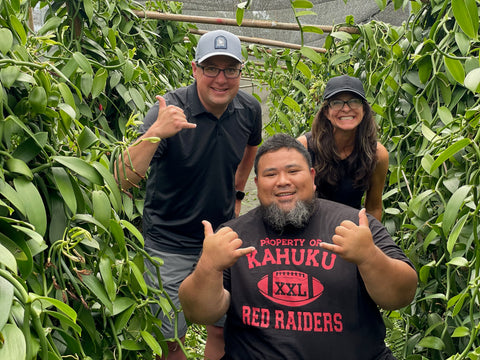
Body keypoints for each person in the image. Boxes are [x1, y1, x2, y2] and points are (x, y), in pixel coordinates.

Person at [179, 133, 417, 360]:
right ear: (257, 183)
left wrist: (370, 257)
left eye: (293, 171)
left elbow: (400, 296)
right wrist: (209, 267)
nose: (283, 181)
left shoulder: (356, 226)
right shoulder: (232, 236)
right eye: (270, 174)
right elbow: (198, 313)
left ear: (313, 177)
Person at [115, 30, 262, 360]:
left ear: (240, 72)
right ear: (195, 69)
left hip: (220, 239)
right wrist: (155, 133)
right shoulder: (169, 112)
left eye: (230, 69)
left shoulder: (248, 109)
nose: (221, 79)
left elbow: (252, 146)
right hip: (168, 242)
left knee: (224, 328)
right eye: (211, 68)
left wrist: (238, 195)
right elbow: (122, 179)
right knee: (170, 340)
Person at [297, 75, 388, 221]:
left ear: (364, 110)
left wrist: (369, 240)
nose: (346, 109)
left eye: (354, 102)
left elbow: (374, 207)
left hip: (348, 231)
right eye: (337, 103)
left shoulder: (376, 154)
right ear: (326, 111)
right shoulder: (303, 148)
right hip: (308, 231)